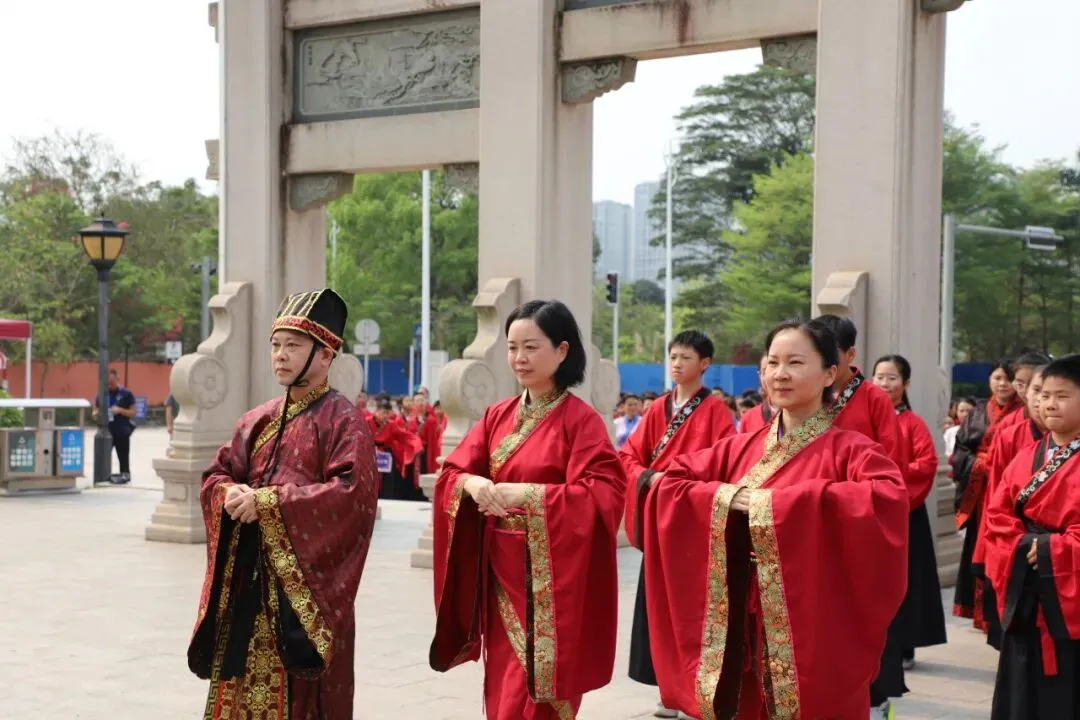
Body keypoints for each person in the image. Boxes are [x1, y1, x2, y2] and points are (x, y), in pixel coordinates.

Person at [642, 318, 909, 720]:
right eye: (772, 362)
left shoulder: (855, 452)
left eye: (796, 362)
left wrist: (774, 506)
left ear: (829, 374)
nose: (780, 374)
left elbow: (885, 499)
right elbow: (670, 483)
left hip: (814, 622)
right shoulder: (737, 448)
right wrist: (726, 499)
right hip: (742, 619)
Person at [187, 288, 379, 719]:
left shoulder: (344, 422)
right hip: (247, 585)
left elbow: (353, 497)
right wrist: (228, 494)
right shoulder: (257, 419)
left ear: (326, 354)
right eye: (276, 345)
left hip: (304, 602)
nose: (281, 355)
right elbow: (217, 474)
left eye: (293, 345)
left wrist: (269, 503)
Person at [430, 299, 625, 719]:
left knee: (539, 691)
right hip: (499, 575)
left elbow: (604, 493)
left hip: (552, 584)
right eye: (512, 347)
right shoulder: (497, 415)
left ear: (562, 350)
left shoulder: (582, 421)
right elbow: (453, 472)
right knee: (504, 682)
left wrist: (529, 496)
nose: (519, 357)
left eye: (531, 347)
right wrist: (473, 484)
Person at [618, 330, 736, 719]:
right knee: (657, 609)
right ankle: (668, 692)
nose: (677, 364)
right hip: (658, 516)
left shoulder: (716, 412)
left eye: (685, 357)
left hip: (693, 522)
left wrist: (682, 487)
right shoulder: (657, 409)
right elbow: (628, 457)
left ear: (705, 364)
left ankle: (694, 693)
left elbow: (725, 464)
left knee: (692, 612)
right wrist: (649, 478)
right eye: (672, 357)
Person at [815, 315, 906, 714]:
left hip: (856, 521)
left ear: (849, 356)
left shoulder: (873, 400)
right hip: (808, 522)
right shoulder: (806, 396)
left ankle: (873, 697)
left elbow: (891, 469)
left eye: (828, 354)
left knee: (860, 615)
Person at [984, 353, 1080, 719]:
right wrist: (1022, 546)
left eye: (1063, 396)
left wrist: (1053, 549)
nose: (1050, 404)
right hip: (1026, 589)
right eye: (1045, 395)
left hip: (1068, 596)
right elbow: (997, 515)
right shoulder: (1028, 455)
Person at [872, 355, 948, 671]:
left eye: (892, 377)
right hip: (868, 511)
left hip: (905, 513)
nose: (884, 383)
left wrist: (891, 482)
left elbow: (926, 464)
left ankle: (905, 646)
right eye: (879, 376)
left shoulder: (912, 423)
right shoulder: (865, 419)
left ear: (906, 384)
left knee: (906, 580)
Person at [975, 355, 1051, 650]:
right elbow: (997, 499)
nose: (1044, 402)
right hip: (1017, 541)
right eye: (1038, 392)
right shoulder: (1010, 435)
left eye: (1056, 395)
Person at [953, 359, 1025, 628]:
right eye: (997, 378)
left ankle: (997, 612)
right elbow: (961, 449)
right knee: (977, 546)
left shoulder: (1023, 413)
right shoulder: (978, 411)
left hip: (1005, 487)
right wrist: (979, 465)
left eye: (1008, 379)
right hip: (979, 490)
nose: (1003, 384)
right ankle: (977, 611)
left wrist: (997, 466)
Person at [370, 397, 423, 500]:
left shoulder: (391, 425)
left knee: (388, 483)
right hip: (371, 453)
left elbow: (406, 436)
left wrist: (417, 445)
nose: (385, 416)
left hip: (386, 456)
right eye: (383, 412)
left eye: (387, 413)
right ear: (376, 411)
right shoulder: (367, 422)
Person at [91, 369, 137, 484]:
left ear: (117, 379)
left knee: (123, 455)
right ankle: (103, 475)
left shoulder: (126, 394)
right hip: (106, 431)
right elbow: (94, 412)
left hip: (122, 431)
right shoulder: (102, 395)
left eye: (112, 382)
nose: (110, 385)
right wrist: (96, 414)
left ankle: (125, 474)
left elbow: (133, 412)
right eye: (108, 383)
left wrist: (120, 410)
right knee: (103, 455)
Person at [739, 355, 774, 434]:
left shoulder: (801, 416)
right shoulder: (748, 418)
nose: (775, 376)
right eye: (765, 371)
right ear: (759, 375)